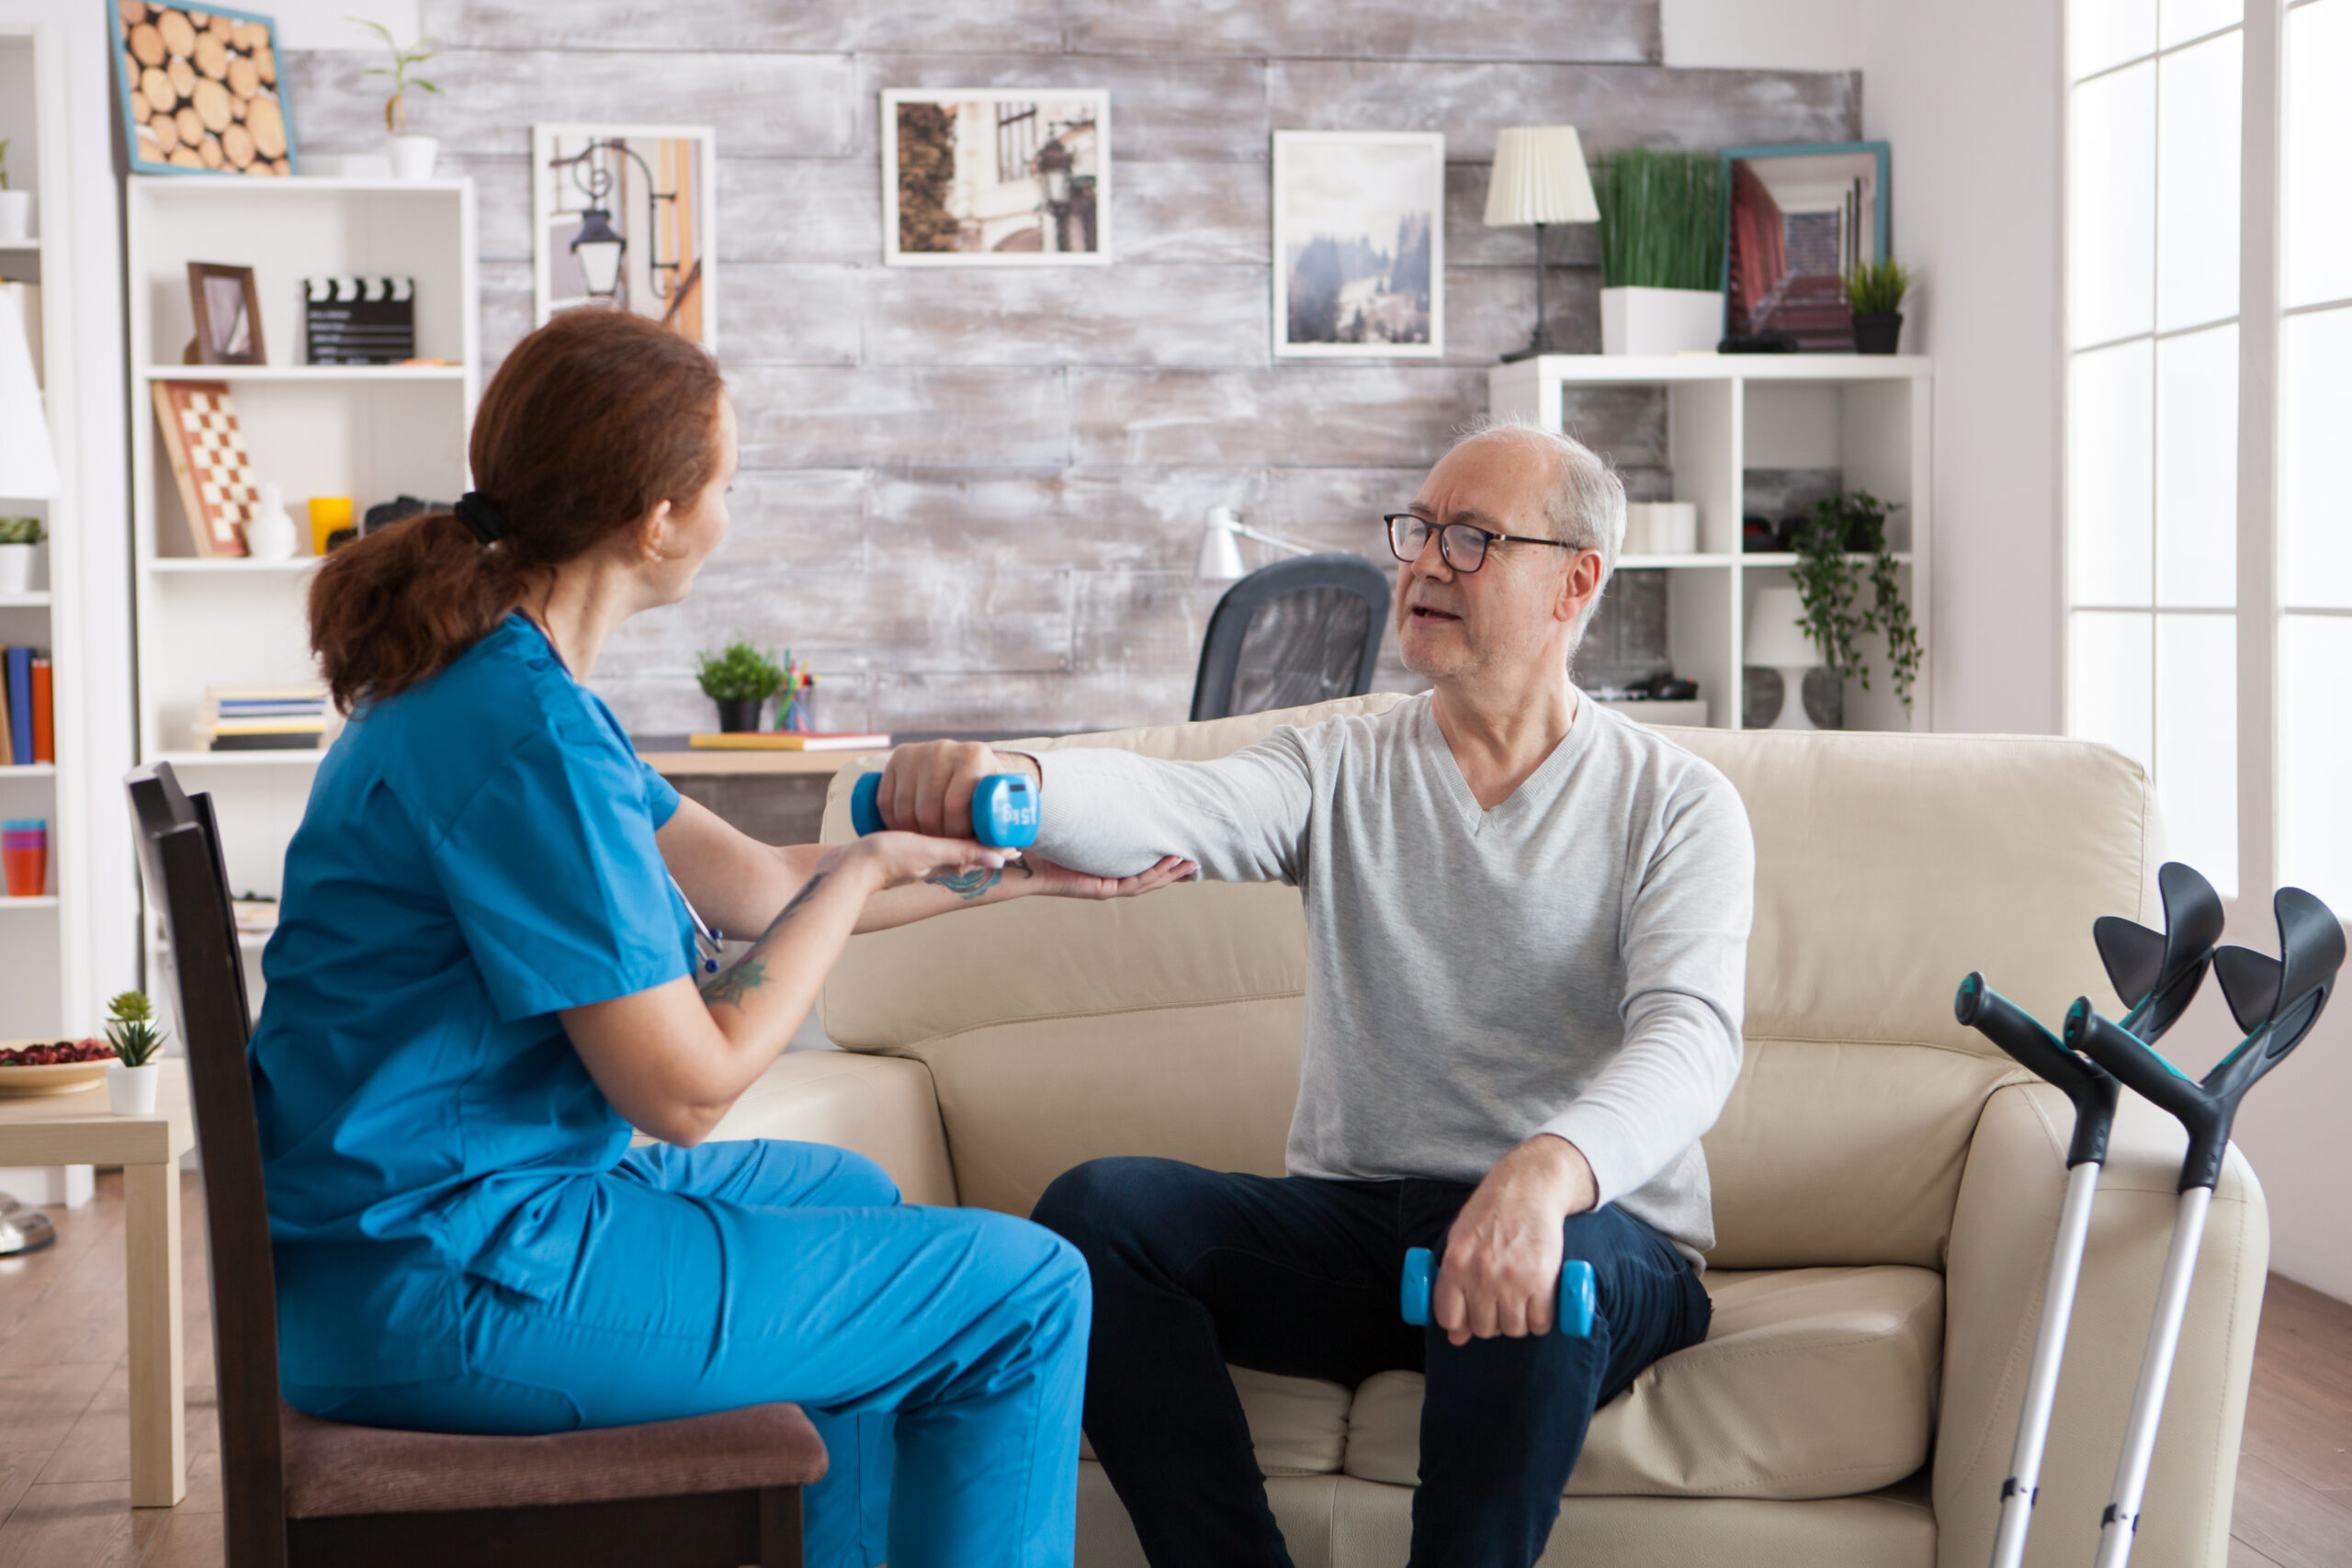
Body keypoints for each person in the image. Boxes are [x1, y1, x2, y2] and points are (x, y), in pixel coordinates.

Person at [249, 309, 1194, 1568]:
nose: (731, 513)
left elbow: (757, 886)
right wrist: (860, 868)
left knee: (850, 1190)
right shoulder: (527, 738)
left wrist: (1017, 876)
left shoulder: (503, 688)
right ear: (656, 518)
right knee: (1027, 1288)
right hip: (447, 1281)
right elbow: (689, 1086)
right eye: (728, 486)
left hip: (408, 1234)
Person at [874, 420, 1757, 1568]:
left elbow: (1691, 1037)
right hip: (1369, 1230)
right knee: (1100, 1218)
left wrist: (1547, 1171)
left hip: (1598, 1230)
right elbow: (1174, 801)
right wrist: (1020, 781)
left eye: (1474, 539)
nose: (1426, 562)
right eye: (1422, 529)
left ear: (1572, 583)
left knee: (1553, 1268)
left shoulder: (1676, 803)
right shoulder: (1337, 765)